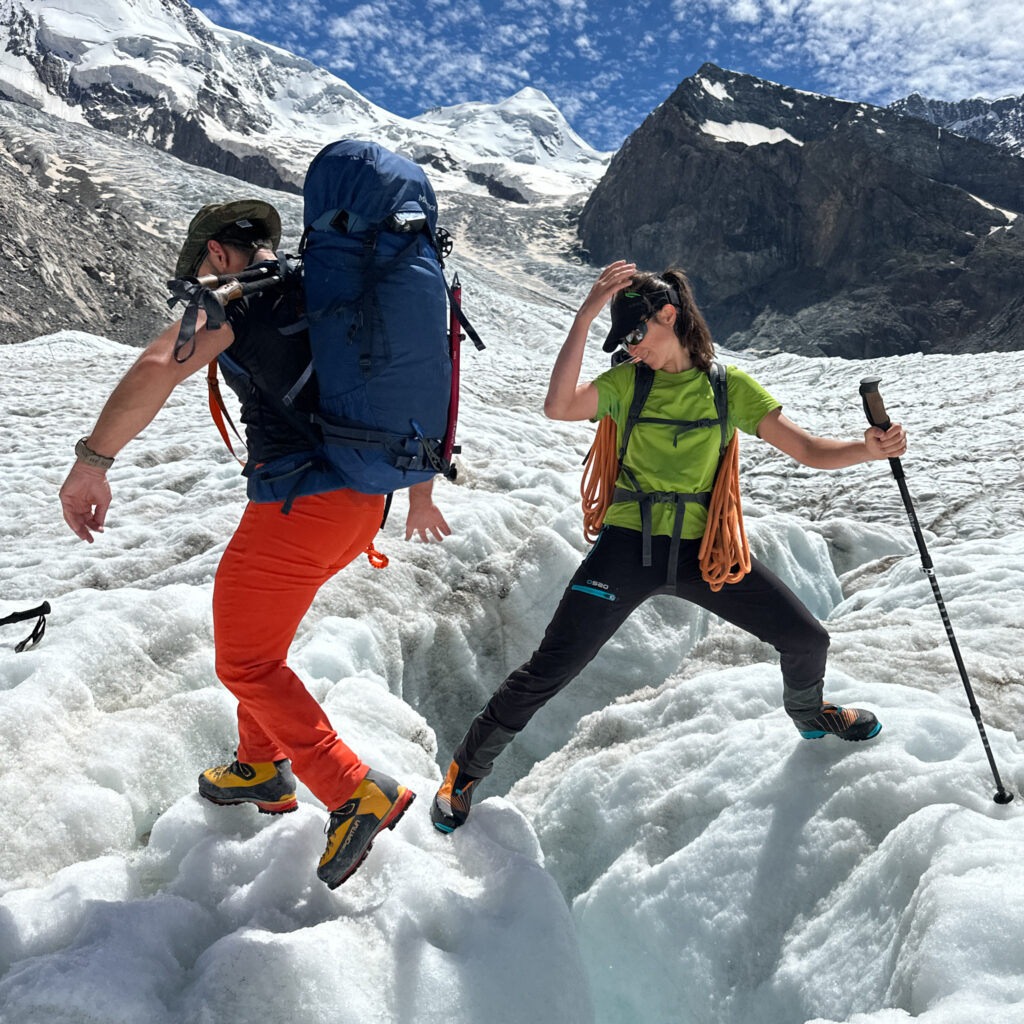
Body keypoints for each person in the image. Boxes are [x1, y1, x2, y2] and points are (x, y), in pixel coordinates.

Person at [431, 260, 907, 832]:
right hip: (628, 548)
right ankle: (463, 772)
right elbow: (557, 406)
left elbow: (807, 450)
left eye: (636, 335)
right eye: (623, 342)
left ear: (669, 316)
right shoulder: (628, 383)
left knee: (806, 637)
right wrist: (584, 316)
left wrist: (868, 449)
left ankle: (810, 715)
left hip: (702, 552)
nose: (632, 350)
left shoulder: (729, 390)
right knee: (550, 668)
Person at [60, 200, 451, 888]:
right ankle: (259, 767)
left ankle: (353, 788)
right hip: (361, 502)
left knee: (243, 663)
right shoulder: (323, 290)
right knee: (259, 646)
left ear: (216, 253)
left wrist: (93, 461)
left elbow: (157, 366)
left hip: (300, 505)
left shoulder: (236, 300)